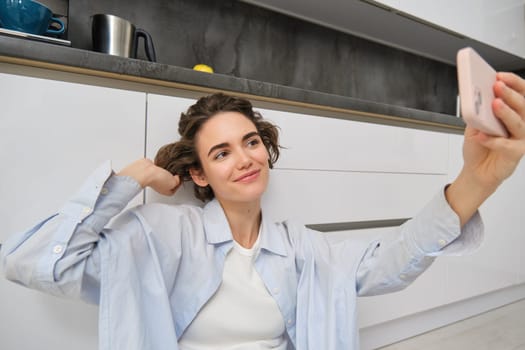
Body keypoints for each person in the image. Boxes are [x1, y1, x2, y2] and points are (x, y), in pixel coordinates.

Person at [1, 72, 525, 350]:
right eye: (221, 152)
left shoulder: (301, 247)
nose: (245, 158)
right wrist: (136, 177)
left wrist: (475, 182)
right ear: (199, 174)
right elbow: (30, 261)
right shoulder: (159, 236)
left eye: (250, 142)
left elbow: (392, 261)